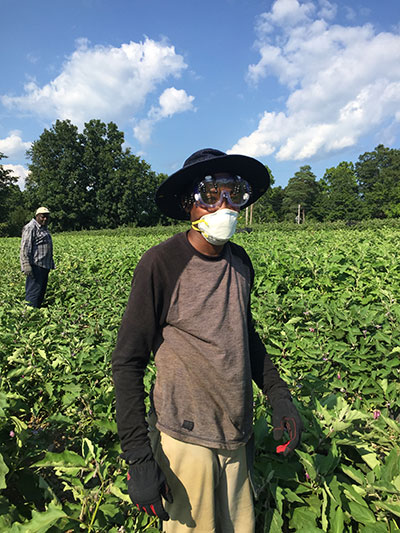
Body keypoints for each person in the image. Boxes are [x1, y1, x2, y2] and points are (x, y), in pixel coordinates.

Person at [112, 148, 303, 532]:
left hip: (238, 433)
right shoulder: (161, 263)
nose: (225, 206)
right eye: (211, 194)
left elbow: (243, 333)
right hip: (185, 441)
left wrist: (278, 395)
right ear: (189, 204)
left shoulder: (240, 261)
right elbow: (128, 361)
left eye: (235, 193)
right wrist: (137, 457)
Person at [20, 206, 55, 308]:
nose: (45, 219)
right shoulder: (30, 227)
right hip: (35, 265)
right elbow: (25, 247)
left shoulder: (43, 228)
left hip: (44, 266)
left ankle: (37, 314)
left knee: (40, 292)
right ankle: (30, 316)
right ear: (37, 216)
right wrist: (26, 265)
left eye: (47, 217)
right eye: (43, 217)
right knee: (33, 293)